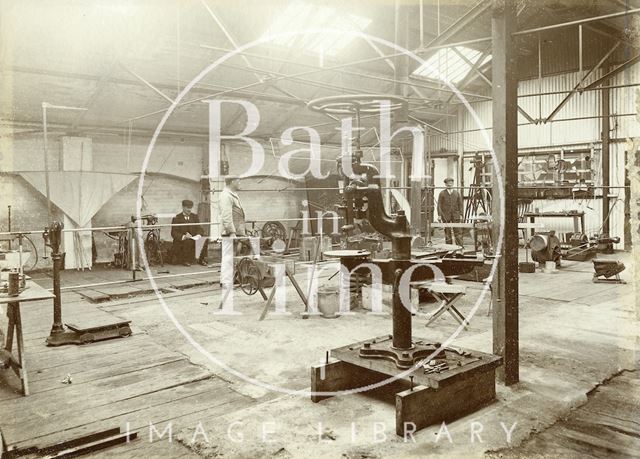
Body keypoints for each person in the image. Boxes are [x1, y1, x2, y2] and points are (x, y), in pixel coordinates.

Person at [171, 199, 205, 266]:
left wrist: (198, 235)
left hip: (193, 239)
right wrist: (183, 236)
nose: (189, 210)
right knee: (187, 241)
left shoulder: (194, 216)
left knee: (204, 239)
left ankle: (202, 259)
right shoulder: (177, 218)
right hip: (182, 241)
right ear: (183, 207)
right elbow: (174, 232)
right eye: (187, 208)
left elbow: (199, 228)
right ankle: (186, 260)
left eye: (190, 208)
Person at [219, 176, 248, 256]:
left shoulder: (233, 194)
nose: (240, 183)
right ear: (232, 182)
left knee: (235, 257)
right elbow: (226, 215)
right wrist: (231, 232)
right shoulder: (226, 195)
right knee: (229, 258)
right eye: (238, 181)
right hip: (231, 233)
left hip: (237, 231)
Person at [437, 177, 464, 246]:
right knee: (447, 233)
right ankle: (449, 249)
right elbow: (439, 205)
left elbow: (460, 205)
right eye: (448, 184)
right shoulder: (442, 193)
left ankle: (460, 248)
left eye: (451, 183)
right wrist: (439, 215)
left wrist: (461, 214)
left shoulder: (457, 193)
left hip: (456, 216)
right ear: (445, 185)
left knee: (458, 232)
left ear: (453, 184)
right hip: (445, 216)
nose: (450, 185)